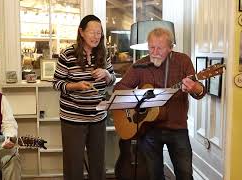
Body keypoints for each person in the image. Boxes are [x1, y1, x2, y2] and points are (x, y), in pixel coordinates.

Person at [114, 27, 206, 180]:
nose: (154, 52)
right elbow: (120, 88)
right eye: (151, 47)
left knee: (185, 175)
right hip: (148, 129)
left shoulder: (183, 61)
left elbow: (200, 93)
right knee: (153, 175)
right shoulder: (140, 65)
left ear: (170, 48)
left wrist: (194, 87)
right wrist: (139, 100)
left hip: (177, 129)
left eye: (160, 48)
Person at [53, 14, 116, 180]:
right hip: (73, 119)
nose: (96, 37)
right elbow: (57, 83)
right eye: (92, 32)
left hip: (98, 117)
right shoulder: (67, 54)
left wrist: (107, 74)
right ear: (81, 32)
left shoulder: (104, 54)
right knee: (73, 164)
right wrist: (75, 86)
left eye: (99, 33)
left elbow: (112, 80)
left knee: (98, 163)